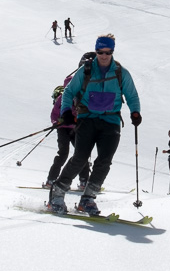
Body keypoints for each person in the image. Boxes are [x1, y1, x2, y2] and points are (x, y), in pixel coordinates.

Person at [47, 34, 141, 216]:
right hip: (87, 118)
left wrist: (135, 112)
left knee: (104, 161)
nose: (104, 55)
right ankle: (57, 193)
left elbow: (132, 95)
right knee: (80, 158)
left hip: (111, 121)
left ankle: (88, 199)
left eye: (108, 52)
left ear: (112, 51)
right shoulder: (86, 70)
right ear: (96, 51)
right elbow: (68, 93)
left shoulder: (121, 72)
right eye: (100, 52)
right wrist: (66, 112)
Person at [45, 53, 93, 190]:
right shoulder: (67, 92)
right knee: (64, 153)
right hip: (64, 127)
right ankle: (51, 180)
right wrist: (56, 122)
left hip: (76, 128)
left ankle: (84, 181)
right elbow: (55, 112)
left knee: (81, 154)